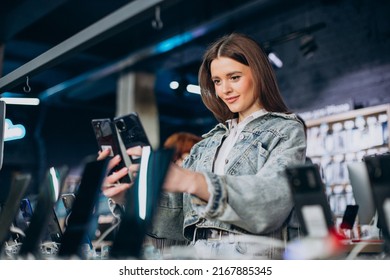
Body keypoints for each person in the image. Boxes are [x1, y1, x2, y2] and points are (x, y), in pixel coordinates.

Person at [99, 33, 306, 259]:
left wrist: (193, 181)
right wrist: (126, 198)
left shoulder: (285, 130)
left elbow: (270, 200)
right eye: (217, 81)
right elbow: (175, 219)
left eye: (234, 77)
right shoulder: (206, 144)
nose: (224, 89)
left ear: (258, 74)